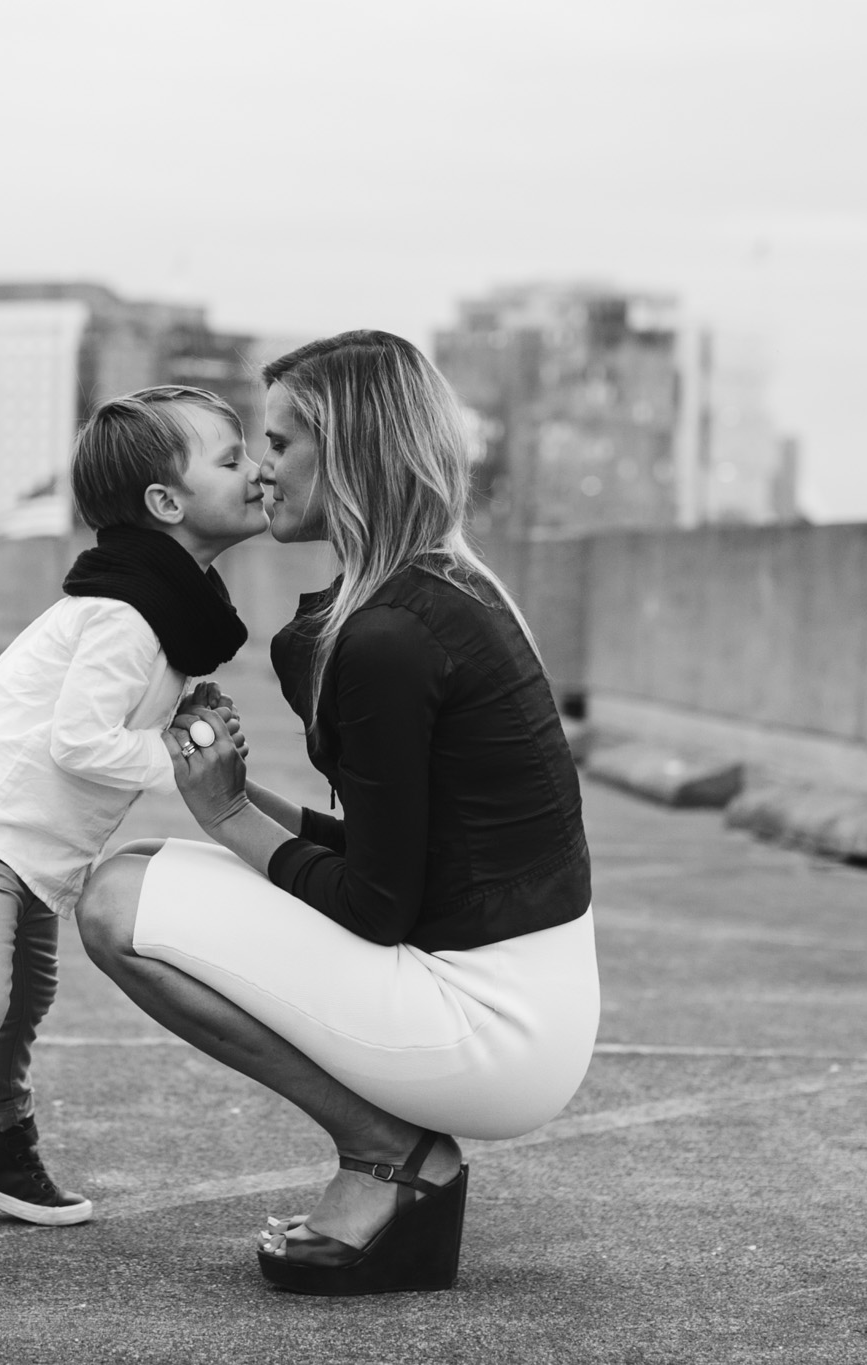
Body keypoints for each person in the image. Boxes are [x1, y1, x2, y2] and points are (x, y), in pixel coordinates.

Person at [76, 330, 597, 1297]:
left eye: (277, 444)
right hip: (520, 984)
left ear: (349, 453)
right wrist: (231, 802)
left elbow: (377, 904)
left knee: (116, 903)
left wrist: (233, 819)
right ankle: (394, 1156)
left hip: (491, 1024)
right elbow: (419, 854)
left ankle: (392, 1156)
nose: (263, 473)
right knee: (149, 865)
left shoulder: (389, 636)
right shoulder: (449, 587)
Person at [0, 385, 264, 1313]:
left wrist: (180, 719)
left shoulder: (167, 605)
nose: (258, 469)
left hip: (32, 845)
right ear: (166, 504)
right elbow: (78, 740)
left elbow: (113, 719)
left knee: (25, 996)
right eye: (232, 459)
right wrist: (181, 760)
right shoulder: (127, 614)